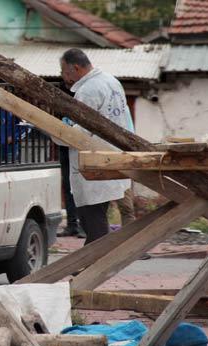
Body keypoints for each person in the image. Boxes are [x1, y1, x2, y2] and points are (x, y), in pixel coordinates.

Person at [59, 48, 131, 245]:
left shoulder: (88, 90)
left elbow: (80, 133)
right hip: (111, 158)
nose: (64, 77)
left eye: (64, 72)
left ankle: (94, 264)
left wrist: (56, 131)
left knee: (93, 220)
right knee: (97, 217)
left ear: (75, 68)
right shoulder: (111, 81)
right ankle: (89, 265)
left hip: (92, 163)